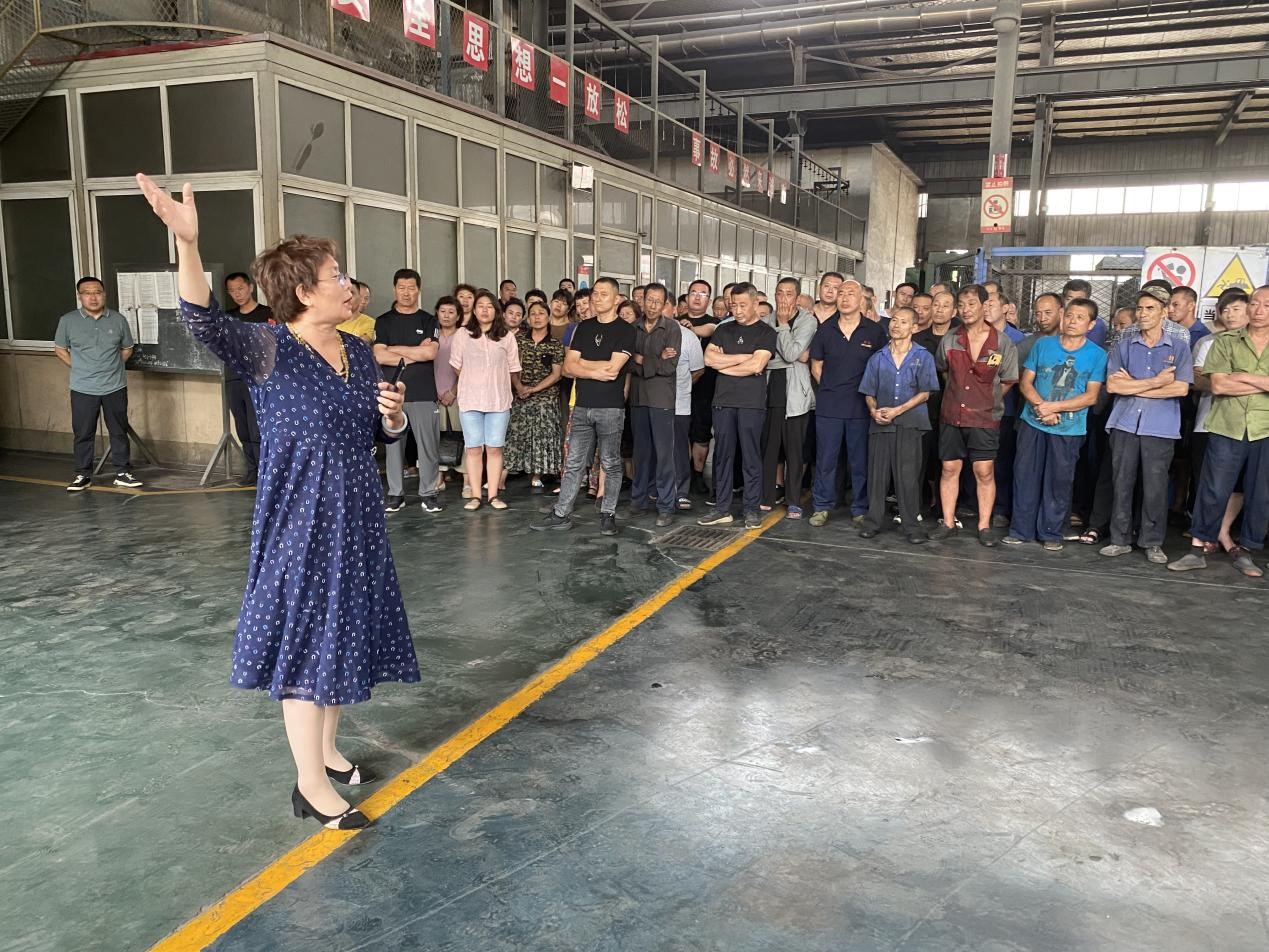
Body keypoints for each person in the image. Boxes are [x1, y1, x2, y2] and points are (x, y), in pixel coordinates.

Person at [138, 175, 414, 830]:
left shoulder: (357, 350)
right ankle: (309, 785)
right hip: (300, 519)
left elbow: (375, 431)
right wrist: (188, 243)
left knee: (342, 633)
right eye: (336, 275)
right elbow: (201, 319)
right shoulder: (268, 347)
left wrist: (394, 418)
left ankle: (327, 752)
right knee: (307, 641)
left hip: (357, 515)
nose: (349, 284)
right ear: (305, 291)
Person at [1169, 285, 1269, 577]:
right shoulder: (1225, 341)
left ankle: (1247, 551)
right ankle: (1197, 549)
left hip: (1264, 428)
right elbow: (1219, 385)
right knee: (1213, 488)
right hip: (1227, 424)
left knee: (1260, 492)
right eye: (1254, 303)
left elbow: (1230, 381)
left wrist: (1243, 376)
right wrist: (1262, 382)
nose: (1259, 310)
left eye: (1267, 305)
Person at [532, 277, 635, 535]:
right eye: (594, 294)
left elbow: (612, 370)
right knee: (574, 462)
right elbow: (568, 367)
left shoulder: (626, 330)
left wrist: (584, 365)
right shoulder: (584, 328)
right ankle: (561, 513)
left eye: (603, 294)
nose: (597, 298)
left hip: (610, 408)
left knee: (610, 462)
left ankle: (608, 513)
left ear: (616, 299)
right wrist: (596, 369)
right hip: (582, 405)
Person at [1003, 298, 1107, 550]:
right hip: (1033, 422)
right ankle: (1021, 530)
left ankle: (1051, 532)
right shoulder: (1043, 344)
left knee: (1058, 482)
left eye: (1080, 317)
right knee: (1025, 476)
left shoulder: (1097, 355)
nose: (1072, 321)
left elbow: (1091, 396)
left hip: (1068, 429)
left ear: (1091, 324)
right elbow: (1025, 381)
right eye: (1069, 315)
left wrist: (1054, 407)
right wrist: (1042, 406)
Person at [1099, 286, 1194, 564]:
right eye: (1140, 308)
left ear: (1164, 312)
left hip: (1161, 426)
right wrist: (1156, 382)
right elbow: (1114, 385)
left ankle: (1152, 542)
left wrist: (1134, 385)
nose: (1143, 314)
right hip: (1124, 423)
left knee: (1155, 487)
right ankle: (1119, 540)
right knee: (1121, 483)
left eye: (1150, 308)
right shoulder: (1124, 345)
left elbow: (1180, 389)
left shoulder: (1178, 347)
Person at [929, 285, 1019, 546]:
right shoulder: (950, 339)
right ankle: (947, 522)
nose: (965, 310)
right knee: (949, 468)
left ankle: (984, 526)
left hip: (984, 418)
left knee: (984, 471)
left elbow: (1008, 380)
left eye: (971, 304)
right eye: (961, 305)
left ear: (984, 305)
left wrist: (986, 399)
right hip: (952, 415)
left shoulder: (1001, 342)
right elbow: (944, 371)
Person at [808, 277, 888, 527]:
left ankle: (860, 508)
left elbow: (881, 367)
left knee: (859, 461)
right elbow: (816, 365)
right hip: (829, 406)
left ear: (861, 299)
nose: (844, 298)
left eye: (850, 293)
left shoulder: (874, 331)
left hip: (861, 407)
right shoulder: (825, 329)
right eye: (841, 293)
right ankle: (821, 506)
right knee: (826, 459)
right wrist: (832, 388)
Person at [697, 282, 777, 529]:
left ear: (756, 303)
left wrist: (725, 364)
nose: (738, 311)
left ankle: (751, 509)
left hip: (751, 403)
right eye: (734, 305)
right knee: (723, 455)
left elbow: (757, 365)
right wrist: (744, 358)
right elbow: (708, 359)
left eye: (743, 305)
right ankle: (722, 508)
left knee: (750, 456)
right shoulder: (723, 329)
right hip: (723, 401)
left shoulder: (766, 332)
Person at [857, 306, 939, 544]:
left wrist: (897, 411)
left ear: (914, 327)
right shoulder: (878, 357)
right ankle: (873, 522)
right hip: (881, 424)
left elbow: (925, 393)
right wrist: (874, 410)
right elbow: (868, 391)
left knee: (908, 476)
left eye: (903, 322)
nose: (896, 325)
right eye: (894, 320)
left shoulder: (923, 356)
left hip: (910, 424)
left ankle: (911, 525)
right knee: (877, 476)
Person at [55, 276, 143, 491]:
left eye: (97, 292)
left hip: (115, 386)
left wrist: (112, 367)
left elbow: (127, 348)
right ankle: (83, 474)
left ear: (104, 295)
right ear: (79, 297)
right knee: (83, 433)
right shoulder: (68, 321)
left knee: (118, 431)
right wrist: (79, 367)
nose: (93, 297)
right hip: (82, 388)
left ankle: (122, 472)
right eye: (87, 293)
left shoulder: (118, 319)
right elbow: (60, 349)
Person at [374, 268, 442, 515]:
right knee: (393, 446)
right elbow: (379, 355)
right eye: (401, 288)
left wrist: (394, 349)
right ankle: (395, 494)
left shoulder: (428, 320)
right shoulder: (383, 321)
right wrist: (415, 352)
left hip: (423, 391)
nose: (406, 293)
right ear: (395, 289)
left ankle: (429, 493)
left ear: (418, 290)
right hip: (392, 393)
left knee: (428, 446)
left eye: (411, 288)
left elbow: (430, 353)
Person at [449, 290, 521, 511]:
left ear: (496, 311)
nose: (484, 310)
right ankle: (475, 496)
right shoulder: (463, 334)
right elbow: (456, 365)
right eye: (480, 306)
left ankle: (493, 495)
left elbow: (513, 368)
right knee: (473, 449)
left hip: (498, 401)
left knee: (495, 449)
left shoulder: (506, 337)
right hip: (470, 400)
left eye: (489, 306)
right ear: (474, 310)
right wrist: (474, 381)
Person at [762, 276, 817, 518]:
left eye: (788, 293)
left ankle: (794, 499)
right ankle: (766, 495)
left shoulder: (808, 321)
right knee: (769, 448)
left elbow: (792, 352)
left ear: (797, 297)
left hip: (796, 395)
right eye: (779, 293)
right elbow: (764, 358)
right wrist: (792, 356)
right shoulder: (765, 320)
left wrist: (783, 325)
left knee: (794, 451)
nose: (783, 298)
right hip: (770, 390)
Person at [628, 281, 681, 527]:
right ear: (642, 300)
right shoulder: (633, 328)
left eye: (658, 302)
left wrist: (643, 360)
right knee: (641, 452)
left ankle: (666, 506)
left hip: (661, 398)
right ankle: (638, 501)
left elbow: (669, 366)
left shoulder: (671, 328)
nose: (652, 306)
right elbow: (628, 362)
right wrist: (654, 359)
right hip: (638, 397)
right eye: (649, 300)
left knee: (663, 453)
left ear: (664, 305)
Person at [505, 300, 564, 493]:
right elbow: (510, 366)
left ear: (548, 317)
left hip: (545, 397)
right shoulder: (518, 340)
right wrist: (519, 386)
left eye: (541, 313)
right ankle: (503, 475)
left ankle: (537, 474)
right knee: (514, 434)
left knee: (542, 436)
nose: (537, 317)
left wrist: (534, 389)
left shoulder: (555, 344)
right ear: (528, 318)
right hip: (519, 394)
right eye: (533, 314)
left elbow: (556, 374)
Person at [223, 271, 274, 486]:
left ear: (251, 287)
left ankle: (265, 471)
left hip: (259, 380)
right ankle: (251, 470)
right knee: (243, 427)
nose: (237, 294)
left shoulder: (267, 314)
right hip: (234, 378)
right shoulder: (228, 317)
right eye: (232, 291)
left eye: (240, 289)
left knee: (257, 428)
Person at [680, 278, 719, 494]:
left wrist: (692, 328)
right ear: (687, 297)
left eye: (703, 294)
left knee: (701, 433)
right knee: (681, 432)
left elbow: (709, 329)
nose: (697, 297)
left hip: (705, 387)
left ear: (709, 300)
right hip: (677, 388)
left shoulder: (716, 323)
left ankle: (698, 475)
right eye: (693, 292)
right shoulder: (674, 322)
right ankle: (682, 474)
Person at [432, 295, 464, 492]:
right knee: (436, 436)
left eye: (451, 312)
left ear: (458, 315)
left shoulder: (464, 336)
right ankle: (439, 476)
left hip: (459, 393)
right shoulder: (431, 336)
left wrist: (453, 391)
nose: (446, 315)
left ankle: (466, 479)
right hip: (434, 394)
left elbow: (468, 368)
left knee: (463, 435)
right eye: (442, 311)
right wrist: (435, 392)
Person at [337, 279, 376, 344]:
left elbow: (359, 345)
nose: (348, 297)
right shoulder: (331, 322)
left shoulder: (370, 322)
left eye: (352, 293)